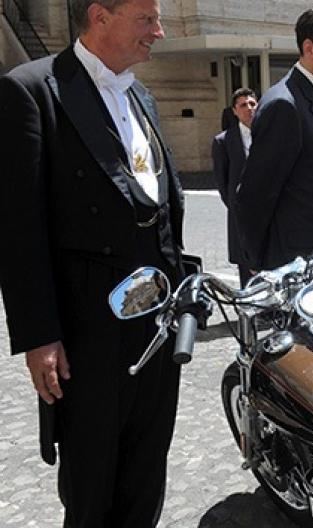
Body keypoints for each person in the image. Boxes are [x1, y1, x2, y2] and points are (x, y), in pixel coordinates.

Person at [0, 1, 185, 525]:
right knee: (92, 487)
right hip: (88, 332)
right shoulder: (31, 91)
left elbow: (160, 209)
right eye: (146, 19)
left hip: (156, 324)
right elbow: (18, 227)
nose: (159, 31)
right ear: (100, 16)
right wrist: (40, 336)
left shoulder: (141, 95)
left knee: (146, 475)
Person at [235, 5, 313, 278]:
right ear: (310, 48)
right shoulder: (284, 105)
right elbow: (255, 193)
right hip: (295, 265)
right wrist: (260, 261)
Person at [212, 87, 258, 287]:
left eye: (252, 104)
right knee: (246, 272)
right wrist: (237, 206)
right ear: (234, 111)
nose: (249, 108)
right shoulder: (223, 141)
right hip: (241, 215)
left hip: (271, 212)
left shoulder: (270, 135)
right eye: (243, 105)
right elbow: (223, 183)